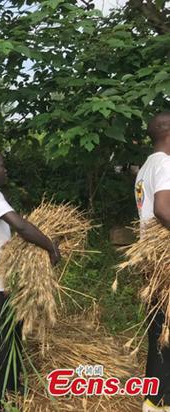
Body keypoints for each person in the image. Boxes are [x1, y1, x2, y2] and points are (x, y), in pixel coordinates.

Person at [0, 149, 60, 411]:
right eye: (2, 165)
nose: (5, 170)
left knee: (10, 336)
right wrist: (49, 246)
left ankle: (9, 388)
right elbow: (20, 226)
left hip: (3, 279)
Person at [135, 112, 170, 412]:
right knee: (165, 332)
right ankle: (159, 403)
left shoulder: (145, 166)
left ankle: (155, 400)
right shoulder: (165, 163)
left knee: (159, 330)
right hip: (165, 259)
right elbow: (162, 209)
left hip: (151, 259)